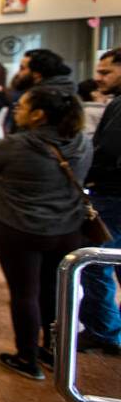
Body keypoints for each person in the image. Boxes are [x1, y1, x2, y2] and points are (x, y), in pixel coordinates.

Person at [0, 86, 90, 380]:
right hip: (68, 228)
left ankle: (26, 357)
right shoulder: (81, 143)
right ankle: (54, 351)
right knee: (54, 290)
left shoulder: (15, 144)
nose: (17, 109)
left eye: (23, 105)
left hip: (19, 228)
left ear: (39, 114)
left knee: (24, 293)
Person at [79, 48, 121, 355]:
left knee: (98, 262)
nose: (98, 77)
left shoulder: (118, 106)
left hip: (112, 195)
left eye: (106, 72)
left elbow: (107, 150)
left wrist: (89, 178)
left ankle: (103, 331)